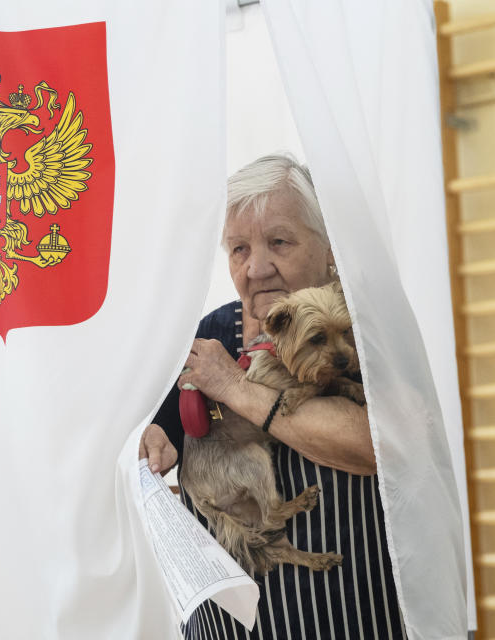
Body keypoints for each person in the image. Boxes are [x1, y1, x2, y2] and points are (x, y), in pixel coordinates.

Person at [140, 154, 406, 639]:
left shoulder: (368, 330)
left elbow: (376, 446)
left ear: (329, 248)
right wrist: (153, 438)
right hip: (234, 622)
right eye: (238, 249)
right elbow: (163, 445)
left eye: (278, 241)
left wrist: (235, 388)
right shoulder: (208, 336)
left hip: (354, 612)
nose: (257, 267)